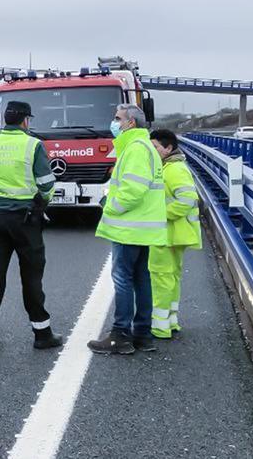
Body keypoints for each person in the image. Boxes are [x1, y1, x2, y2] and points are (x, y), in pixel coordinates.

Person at [0, 101, 63, 350]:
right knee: (31, 277)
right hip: (26, 218)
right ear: (26, 121)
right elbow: (47, 184)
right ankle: (42, 333)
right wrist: (41, 202)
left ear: (5, 119)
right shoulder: (33, 145)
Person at [88, 104, 168, 355]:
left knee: (123, 280)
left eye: (117, 118)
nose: (114, 123)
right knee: (141, 279)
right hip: (142, 227)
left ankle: (120, 335)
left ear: (131, 123)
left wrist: (110, 207)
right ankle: (142, 335)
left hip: (129, 227)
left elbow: (134, 190)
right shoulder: (145, 147)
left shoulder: (134, 148)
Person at [147, 129, 201, 339]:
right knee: (171, 278)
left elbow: (186, 200)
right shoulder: (172, 166)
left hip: (167, 233)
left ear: (168, 148)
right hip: (174, 233)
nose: (152, 151)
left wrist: (159, 215)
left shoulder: (174, 169)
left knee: (161, 278)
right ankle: (170, 320)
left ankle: (160, 327)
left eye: (156, 147)